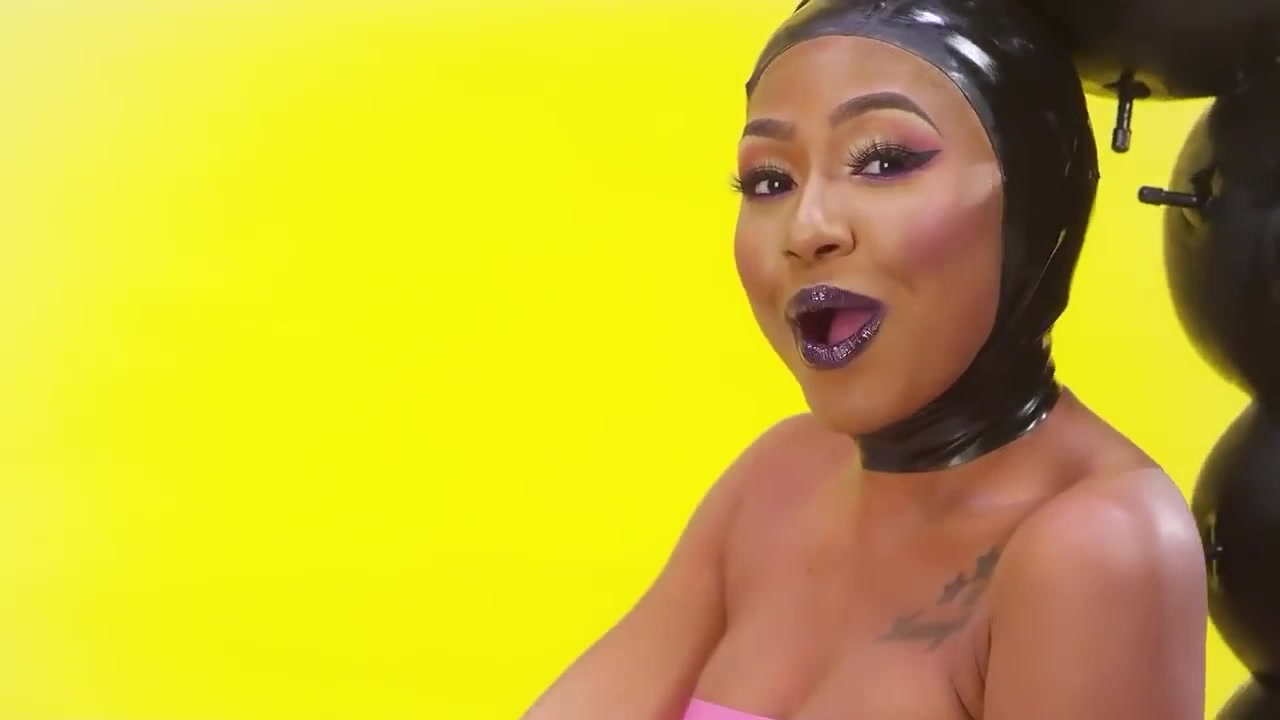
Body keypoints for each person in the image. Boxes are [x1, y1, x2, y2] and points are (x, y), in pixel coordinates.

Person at [520, 0, 1208, 717]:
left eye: (884, 162)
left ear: (1037, 201)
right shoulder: (779, 479)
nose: (806, 228)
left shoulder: (1099, 547)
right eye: (769, 181)